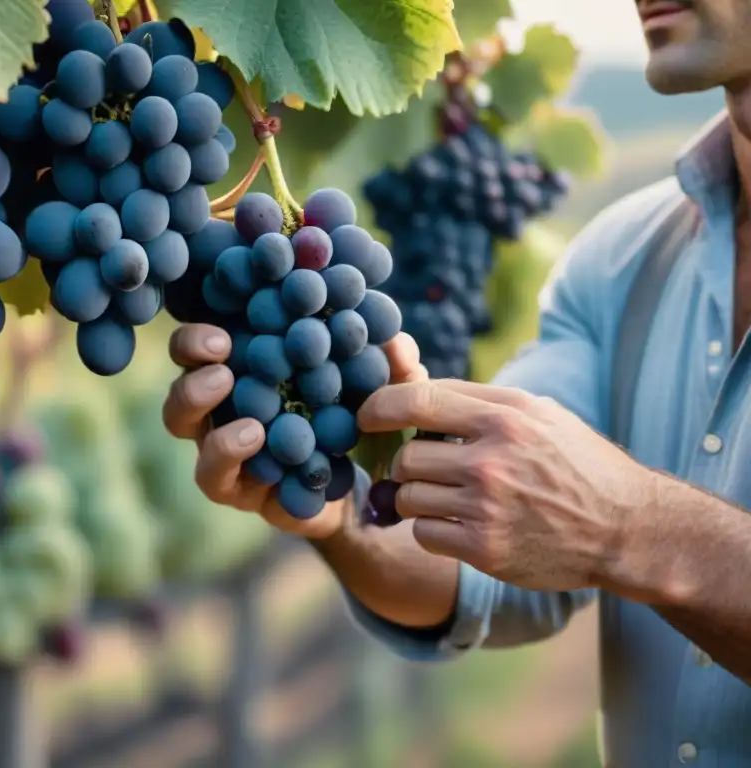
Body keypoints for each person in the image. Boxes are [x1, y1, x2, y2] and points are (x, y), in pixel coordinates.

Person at [162, 1, 751, 764]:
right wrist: (338, 520)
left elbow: (604, 525)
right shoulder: (619, 259)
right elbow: (487, 579)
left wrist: (631, 528)